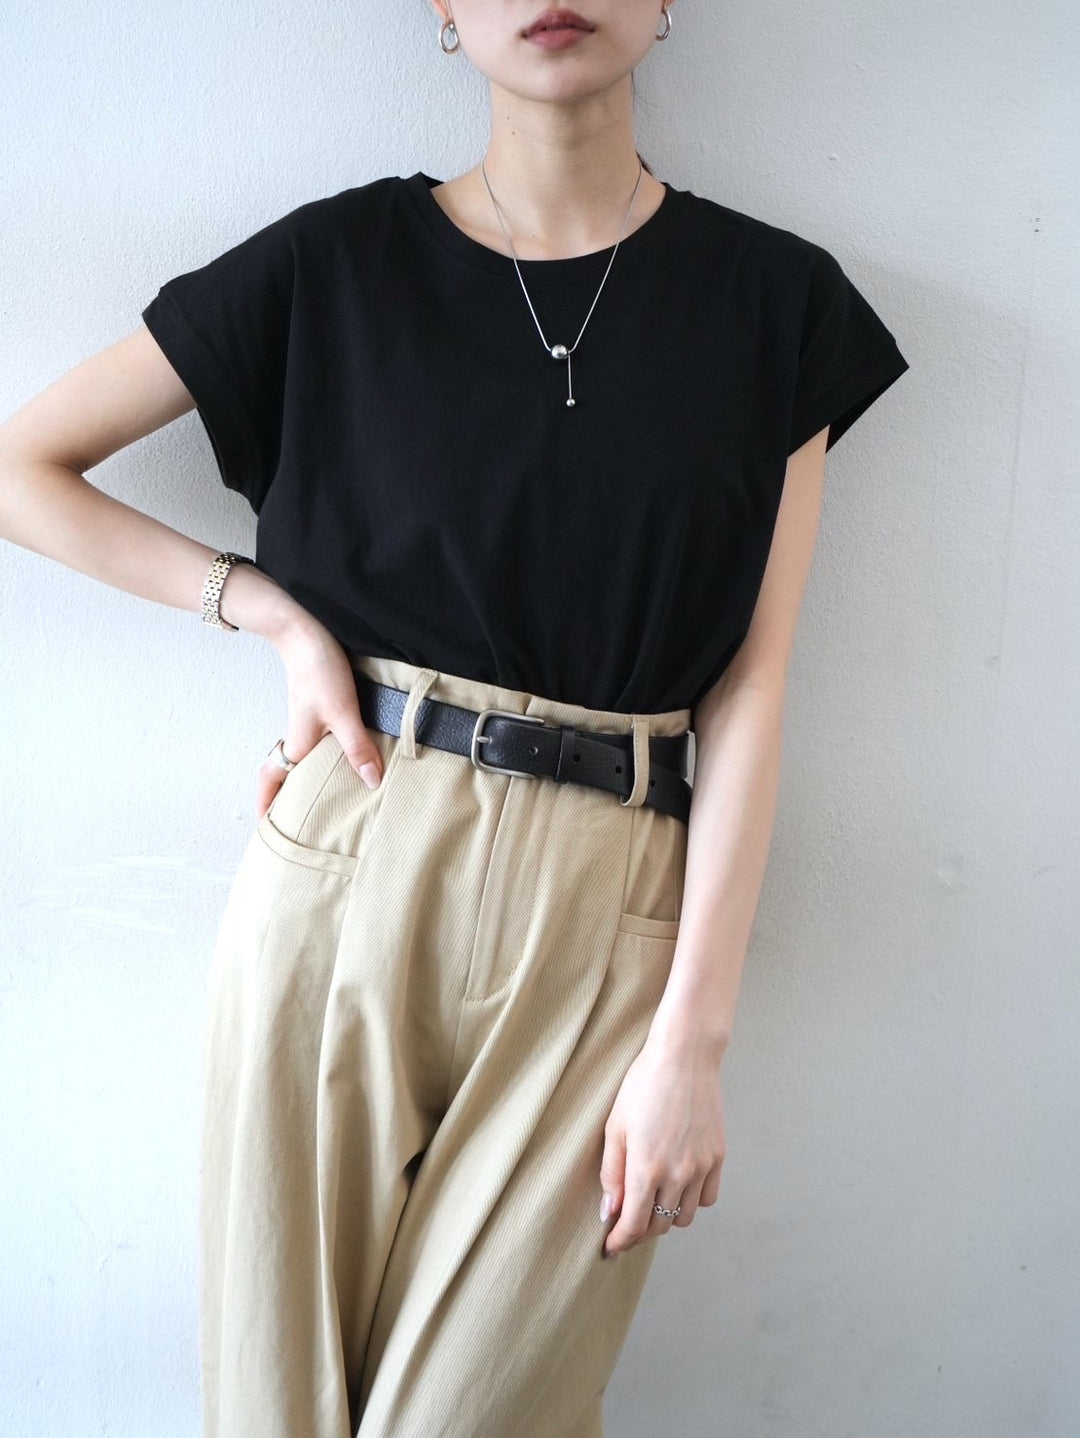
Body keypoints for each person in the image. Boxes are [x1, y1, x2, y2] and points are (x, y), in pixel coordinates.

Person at [0, 2, 910, 1433]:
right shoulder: (333, 265)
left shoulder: (777, 305)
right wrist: (267, 610)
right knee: (278, 1406)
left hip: (614, 893)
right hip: (353, 843)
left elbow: (750, 687)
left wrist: (693, 1043)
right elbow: (22, 467)